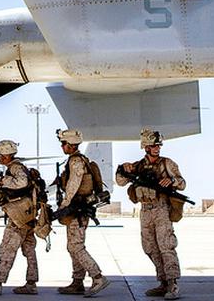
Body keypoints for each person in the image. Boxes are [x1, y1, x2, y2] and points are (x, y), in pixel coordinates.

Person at [115, 129, 183, 300]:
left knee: (166, 245)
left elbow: (182, 183)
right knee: (149, 248)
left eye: (158, 145)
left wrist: (172, 181)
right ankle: (163, 282)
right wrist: (123, 169)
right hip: (145, 210)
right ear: (145, 147)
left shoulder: (167, 164)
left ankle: (173, 283)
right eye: (153, 145)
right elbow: (120, 182)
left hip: (161, 209)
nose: (157, 148)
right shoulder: (138, 166)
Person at [0, 139, 39, 295]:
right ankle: (31, 283)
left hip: (18, 217)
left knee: (7, 249)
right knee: (29, 250)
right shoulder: (19, 167)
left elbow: (22, 182)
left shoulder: (15, 168)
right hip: (27, 215)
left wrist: (5, 181)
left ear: (5, 155)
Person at [55, 128, 109, 297]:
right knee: (72, 246)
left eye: (63, 143)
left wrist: (63, 206)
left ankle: (98, 277)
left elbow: (73, 185)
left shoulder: (76, 161)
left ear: (70, 145)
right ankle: (77, 282)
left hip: (78, 209)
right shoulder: (77, 160)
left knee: (76, 247)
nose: (62, 147)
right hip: (76, 209)